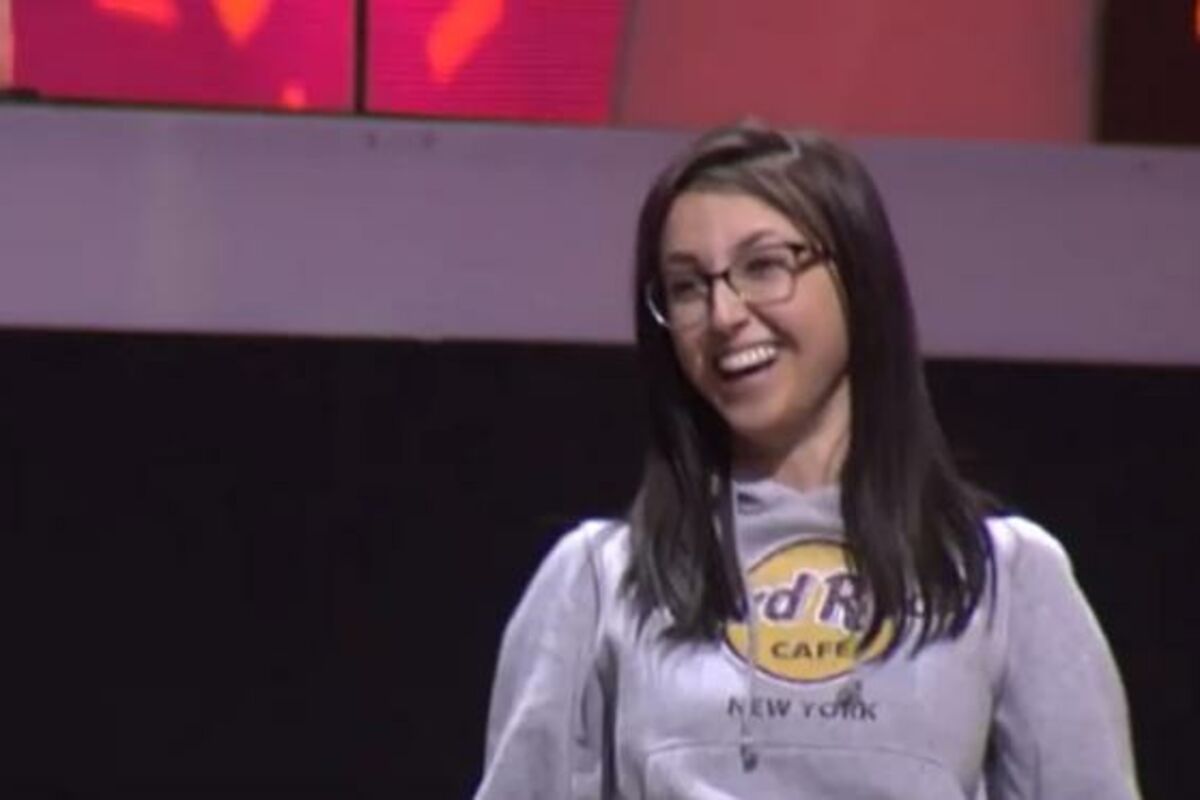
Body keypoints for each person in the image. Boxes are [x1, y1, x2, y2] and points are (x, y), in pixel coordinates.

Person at [473, 122, 1140, 799]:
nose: (724, 314)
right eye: (686, 286)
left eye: (764, 266)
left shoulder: (1000, 577)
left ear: (858, 278)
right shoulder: (601, 581)